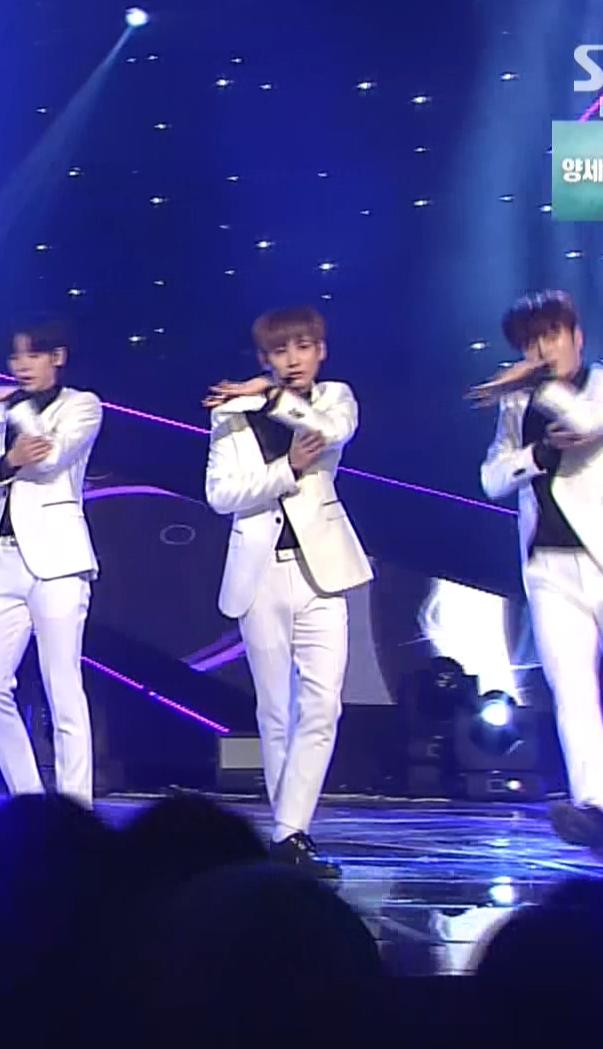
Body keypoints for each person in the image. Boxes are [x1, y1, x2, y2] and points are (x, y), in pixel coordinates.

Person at [471, 289, 603, 864]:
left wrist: (537, 387)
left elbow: (589, 422)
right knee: (572, 694)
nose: (543, 351)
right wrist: (535, 456)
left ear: (576, 336)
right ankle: (595, 809)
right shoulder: (516, 406)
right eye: (530, 343)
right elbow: (492, 478)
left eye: (552, 336)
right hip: (549, 568)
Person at [202, 305, 373, 879]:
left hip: (323, 569)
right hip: (259, 574)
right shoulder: (231, 413)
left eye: (303, 347)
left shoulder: (335, 398)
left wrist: (272, 396)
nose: (293, 359)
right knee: (274, 710)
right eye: (280, 351)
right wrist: (285, 469)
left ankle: (289, 831)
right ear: (264, 358)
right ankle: (288, 836)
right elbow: (221, 494)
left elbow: (330, 433)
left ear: (320, 350)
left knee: (323, 704)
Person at [0, 321, 103, 805]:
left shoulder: (82, 405)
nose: (22, 366)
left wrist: (13, 406)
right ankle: (29, 799)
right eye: (15, 358)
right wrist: (4, 460)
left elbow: (48, 457)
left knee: (62, 688)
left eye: (33, 355)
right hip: (1, 562)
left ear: (57, 357)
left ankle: (76, 807)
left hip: (58, 562)